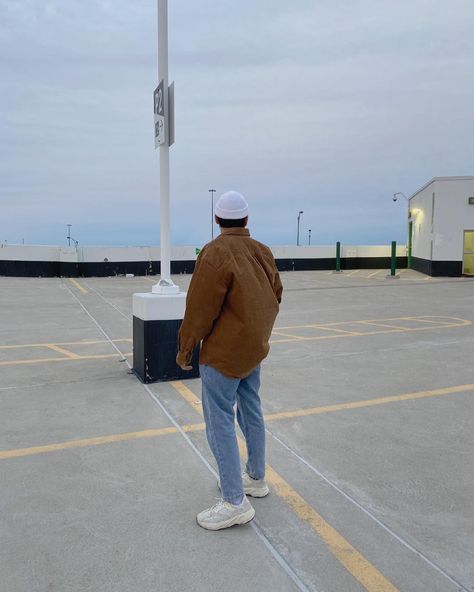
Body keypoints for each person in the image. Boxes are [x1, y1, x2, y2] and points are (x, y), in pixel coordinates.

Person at [176, 190, 283, 531]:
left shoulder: (214, 253)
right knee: (251, 409)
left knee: (219, 419)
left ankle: (235, 501)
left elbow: (199, 310)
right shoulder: (262, 251)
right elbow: (276, 292)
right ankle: (256, 478)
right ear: (246, 220)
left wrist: (185, 349)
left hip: (223, 355)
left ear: (217, 219)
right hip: (254, 350)